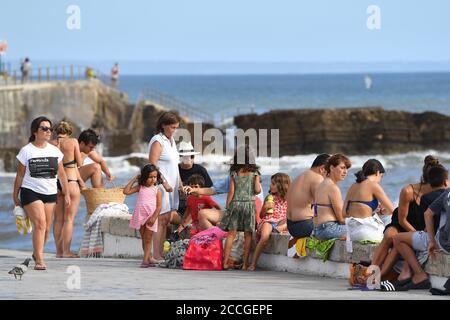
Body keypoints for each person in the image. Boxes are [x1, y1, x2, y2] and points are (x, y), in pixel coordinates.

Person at [12, 116, 71, 270]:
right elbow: (19, 175)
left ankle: (36, 253)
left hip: (50, 193)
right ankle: (39, 260)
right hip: (30, 191)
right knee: (40, 224)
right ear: (35, 131)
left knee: (45, 228)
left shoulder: (54, 150)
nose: (48, 131)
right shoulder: (26, 151)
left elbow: (62, 174)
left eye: (49, 128)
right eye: (44, 128)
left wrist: (67, 193)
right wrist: (15, 195)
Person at [381, 165, 449, 291]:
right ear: (445, 181)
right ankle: (401, 274)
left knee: (398, 238)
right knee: (412, 238)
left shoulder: (429, 197)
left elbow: (429, 217)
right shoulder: (447, 193)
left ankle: (416, 274)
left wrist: (431, 240)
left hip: (440, 240)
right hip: (444, 239)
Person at [372, 155, 439, 278]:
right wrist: (414, 236)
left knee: (400, 240)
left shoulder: (441, 189)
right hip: (402, 224)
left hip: (422, 227)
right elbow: (402, 220)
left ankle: (379, 276)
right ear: (424, 180)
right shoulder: (408, 191)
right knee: (389, 235)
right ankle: (371, 271)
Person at [148, 111, 183, 260]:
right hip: (161, 186)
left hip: (172, 187)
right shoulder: (158, 140)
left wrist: (180, 184)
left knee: (166, 219)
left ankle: (160, 253)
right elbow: (152, 166)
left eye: (176, 127)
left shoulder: (172, 141)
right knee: (160, 219)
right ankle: (156, 254)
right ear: (163, 125)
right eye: (172, 127)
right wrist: (164, 182)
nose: (174, 130)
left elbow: (175, 166)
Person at [221, 145, 262, 270]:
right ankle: (245, 264)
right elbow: (257, 190)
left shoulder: (234, 173)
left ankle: (225, 262)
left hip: (236, 204)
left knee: (231, 234)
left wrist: (228, 206)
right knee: (248, 235)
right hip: (249, 205)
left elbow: (231, 192)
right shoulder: (255, 173)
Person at [52, 121, 87, 258]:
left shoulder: (52, 144)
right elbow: (80, 163)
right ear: (69, 131)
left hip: (56, 183)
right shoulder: (73, 142)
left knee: (58, 220)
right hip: (71, 181)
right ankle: (67, 251)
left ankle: (59, 251)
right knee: (69, 220)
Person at [248, 172, 290, 271]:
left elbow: (291, 214)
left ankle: (279, 228)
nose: (270, 186)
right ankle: (253, 263)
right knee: (265, 238)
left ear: (281, 185)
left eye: (273, 184)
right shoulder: (269, 197)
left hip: (281, 221)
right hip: (269, 220)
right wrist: (265, 208)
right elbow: (262, 216)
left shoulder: (289, 198)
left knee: (288, 220)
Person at [344, 159, 394, 242]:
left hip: (351, 232)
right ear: (378, 172)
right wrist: (383, 212)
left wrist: (378, 212)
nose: (380, 180)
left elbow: (344, 213)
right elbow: (392, 210)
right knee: (389, 218)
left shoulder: (353, 186)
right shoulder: (373, 185)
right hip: (366, 232)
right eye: (381, 176)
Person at [124, 164, 163, 267]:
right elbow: (126, 191)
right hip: (140, 215)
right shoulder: (140, 187)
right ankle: (148, 257)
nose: (153, 179)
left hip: (151, 216)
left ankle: (145, 260)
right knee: (144, 238)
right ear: (144, 177)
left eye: (155, 177)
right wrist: (134, 179)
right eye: (150, 177)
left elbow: (159, 206)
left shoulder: (157, 190)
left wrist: (154, 217)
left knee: (148, 238)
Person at [286, 154, 330, 239]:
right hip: (305, 225)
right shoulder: (317, 178)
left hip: (291, 226)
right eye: (329, 172)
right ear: (322, 169)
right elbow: (324, 206)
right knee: (342, 228)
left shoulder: (298, 177)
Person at [313, 154, 352, 240]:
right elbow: (341, 219)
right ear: (331, 168)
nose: (345, 172)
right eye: (342, 168)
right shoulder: (333, 188)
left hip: (317, 229)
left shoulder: (321, 184)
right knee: (365, 229)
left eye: (346, 169)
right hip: (329, 229)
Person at [178, 140, 213, 217]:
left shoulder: (201, 170)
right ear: (180, 157)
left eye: (192, 156)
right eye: (187, 156)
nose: (190, 159)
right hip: (178, 204)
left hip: (197, 204)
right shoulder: (175, 170)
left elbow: (210, 190)